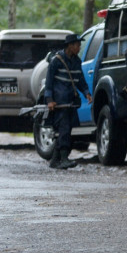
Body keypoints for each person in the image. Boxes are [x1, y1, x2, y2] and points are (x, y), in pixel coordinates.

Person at [44, 33, 92, 170]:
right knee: (64, 130)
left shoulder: (77, 61)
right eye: (77, 45)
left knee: (69, 129)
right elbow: (49, 82)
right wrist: (49, 100)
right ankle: (64, 159)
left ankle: (54, 160)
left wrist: (87, 93)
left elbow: (80, 79)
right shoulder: (56, 60)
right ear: (70, 46)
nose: (79, 47)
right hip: (59, 103)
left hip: (70, 102)